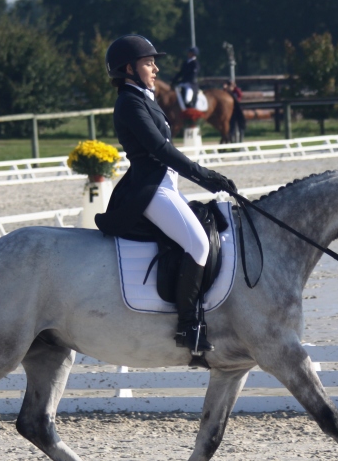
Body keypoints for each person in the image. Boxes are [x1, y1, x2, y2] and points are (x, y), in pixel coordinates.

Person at [96, 35, 236, 355]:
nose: (156, 68)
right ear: (129, 68)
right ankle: (188, 326)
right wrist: (206, 176)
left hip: (166, 184)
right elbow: (160, 149)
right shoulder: (130, 102)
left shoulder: (144, 97)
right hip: (151, 188)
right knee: (198, 244)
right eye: (149, 63)